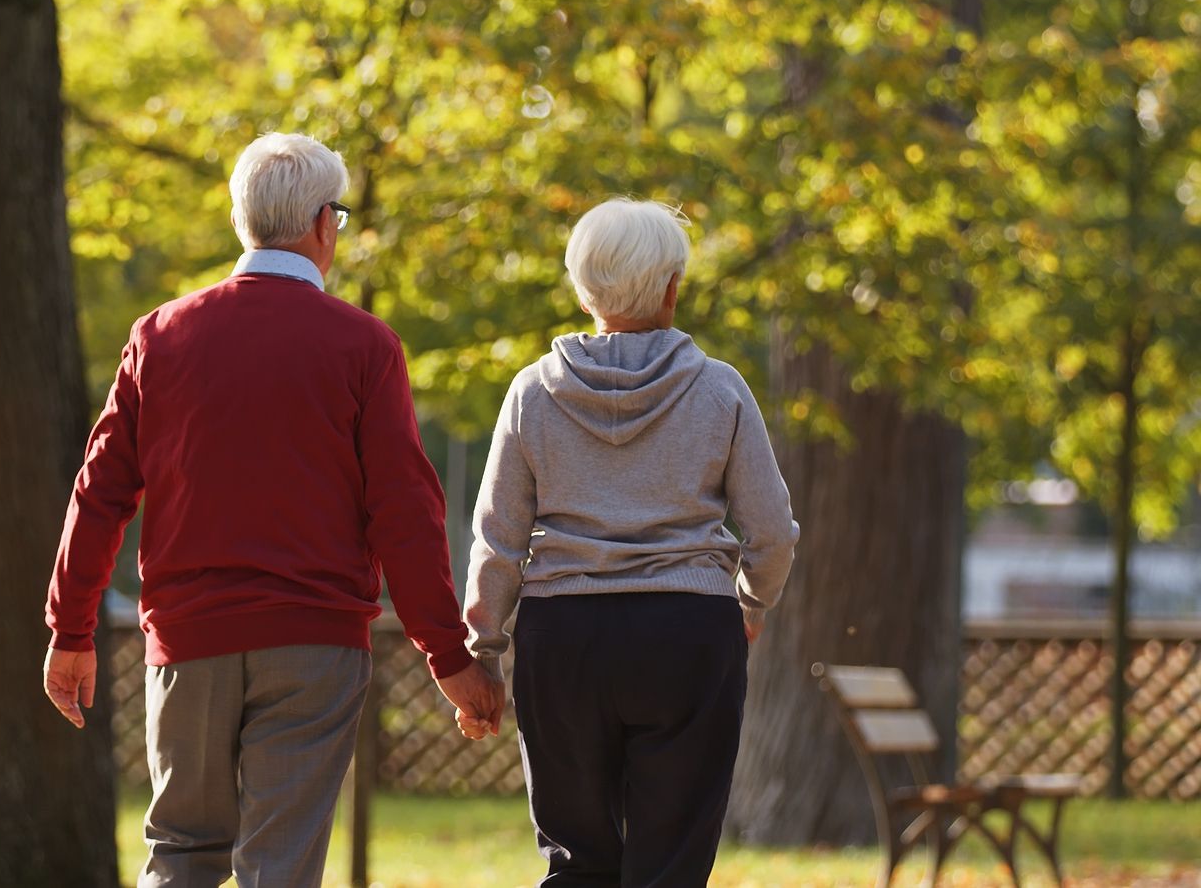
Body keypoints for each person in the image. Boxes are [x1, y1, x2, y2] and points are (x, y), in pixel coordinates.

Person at [41, 132, 501, 888]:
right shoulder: (365, 346)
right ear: (324, 224)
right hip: (313, 642)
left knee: (181, 853)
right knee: (279, 868)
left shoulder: (159, 336)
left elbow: (100, 491)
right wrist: (447, 656)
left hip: (190, 638)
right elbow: (404, 513)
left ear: (239, 221)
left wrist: (71, 628)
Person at [460, 198, 800, 887]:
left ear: (583, 290)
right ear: (673, 288)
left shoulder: (533, 392)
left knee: (575, 860)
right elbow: (770, 532)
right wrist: (751, 603)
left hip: (564, 638)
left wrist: (483, 651)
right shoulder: (720, 390)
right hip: (687, 633)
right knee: (671, 864)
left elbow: (498, 539)